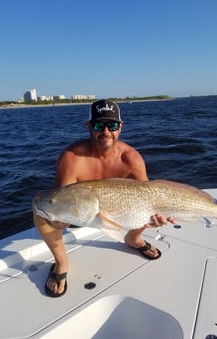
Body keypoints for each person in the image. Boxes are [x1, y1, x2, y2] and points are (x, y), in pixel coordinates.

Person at [33, 99, 175, 297]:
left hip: (118, 214)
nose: (106, 131)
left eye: (112, 125)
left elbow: (147, 198)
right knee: (41, 212)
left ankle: (133, 239)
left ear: (120, 127)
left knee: (143, 208)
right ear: (89, 126)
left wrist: (156, 218)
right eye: (99, 125)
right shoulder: (72, 157)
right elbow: (61, 199)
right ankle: (62, 261)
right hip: (80, 214)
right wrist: (56, 222)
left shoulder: (131, 158)